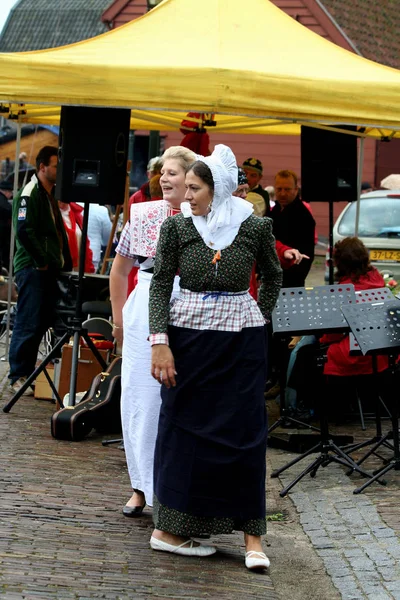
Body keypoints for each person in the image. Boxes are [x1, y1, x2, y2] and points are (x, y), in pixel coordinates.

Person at [149, 144, 282, 569]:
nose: (187, 196)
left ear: (218, 189)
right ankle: (170, 529)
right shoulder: (177, 228)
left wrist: (260, 318)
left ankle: (253, 539)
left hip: (240, 343)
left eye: (194, 188)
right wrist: (160, 341)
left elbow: (274, 274)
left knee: (244, 433)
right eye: (185, 187)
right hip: (187, 341)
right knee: (183, 429)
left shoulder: (255, 228)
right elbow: (158, 286)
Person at [110, 146, 196, 518]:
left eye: (173, 172)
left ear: (192, 180)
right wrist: (117, 319)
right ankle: (141, 487)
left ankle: (173, 491)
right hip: (143, 308)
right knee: (139, 399)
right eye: (163, 171)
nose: (164, 178)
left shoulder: (206, 218)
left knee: (179, 401)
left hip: (191, 307)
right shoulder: (143, 215)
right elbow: (119, 270)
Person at [8, 146, 72, 393]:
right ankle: (17, 375)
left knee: (40, 320)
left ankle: (26, 371)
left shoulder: (49, 194)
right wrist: (40, 259)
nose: (59, 170)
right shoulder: (30, 192)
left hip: (45, 268)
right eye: (55, 166)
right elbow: (24, 229)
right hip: (33, 268)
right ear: (42, 167)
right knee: (28, 320)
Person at [271, 169, 315, 288]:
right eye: (279, 189)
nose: (283, 193)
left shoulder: (304, 217)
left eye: (287, 189)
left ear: (296, 189)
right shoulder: (273, 211)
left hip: (291, 282)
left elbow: (306, 255)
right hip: (270, 277)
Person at [58, 201, 95, 273]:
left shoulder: (76, 213)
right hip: (59, 270)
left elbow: (85, 244)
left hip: (78, 271)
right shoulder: (51, 213)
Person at [77, 202, 112, 271]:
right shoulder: (102, 211)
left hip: (75, 251)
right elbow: (108, 238)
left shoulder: (72, 206)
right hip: (93, 254)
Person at [0, 179, 13, 273]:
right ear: (6, 191)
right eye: (10, 192)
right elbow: (9, 210)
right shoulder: (2, 200)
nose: (11, 195)